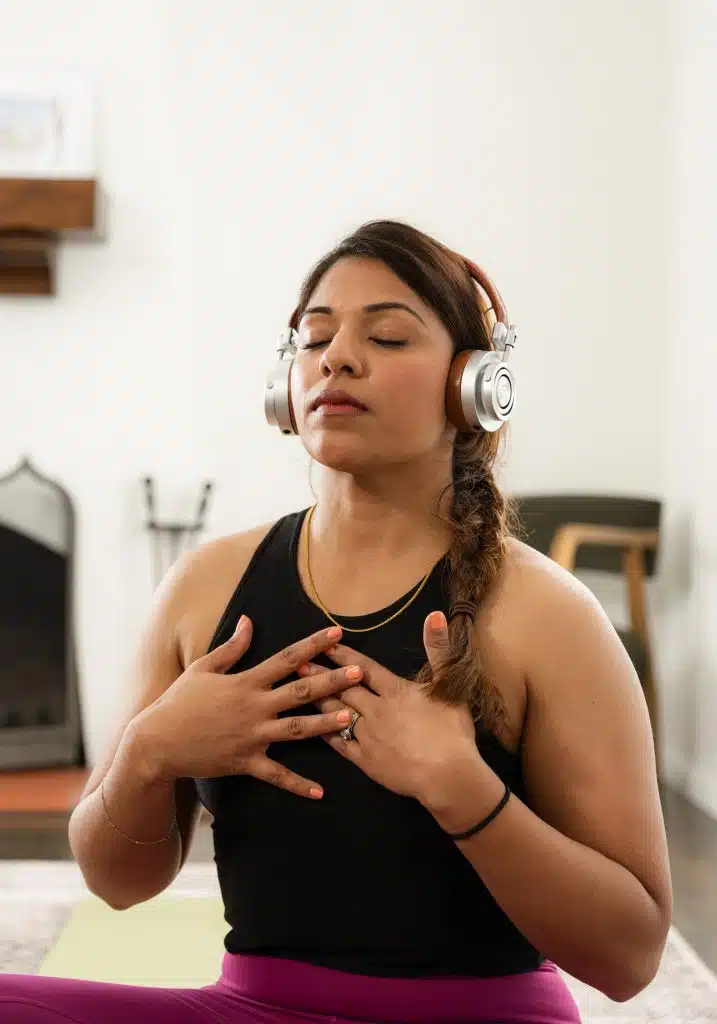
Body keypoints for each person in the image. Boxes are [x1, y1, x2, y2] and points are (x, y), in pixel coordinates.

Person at [0, 220, 672, 1024]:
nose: (337, 358)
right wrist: (149, 753)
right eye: (315, 338)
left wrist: (462, 791)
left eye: (386, 336)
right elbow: (117, 884)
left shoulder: (548, 615)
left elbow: (628, 959)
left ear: (473, 384)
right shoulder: (203, 588)